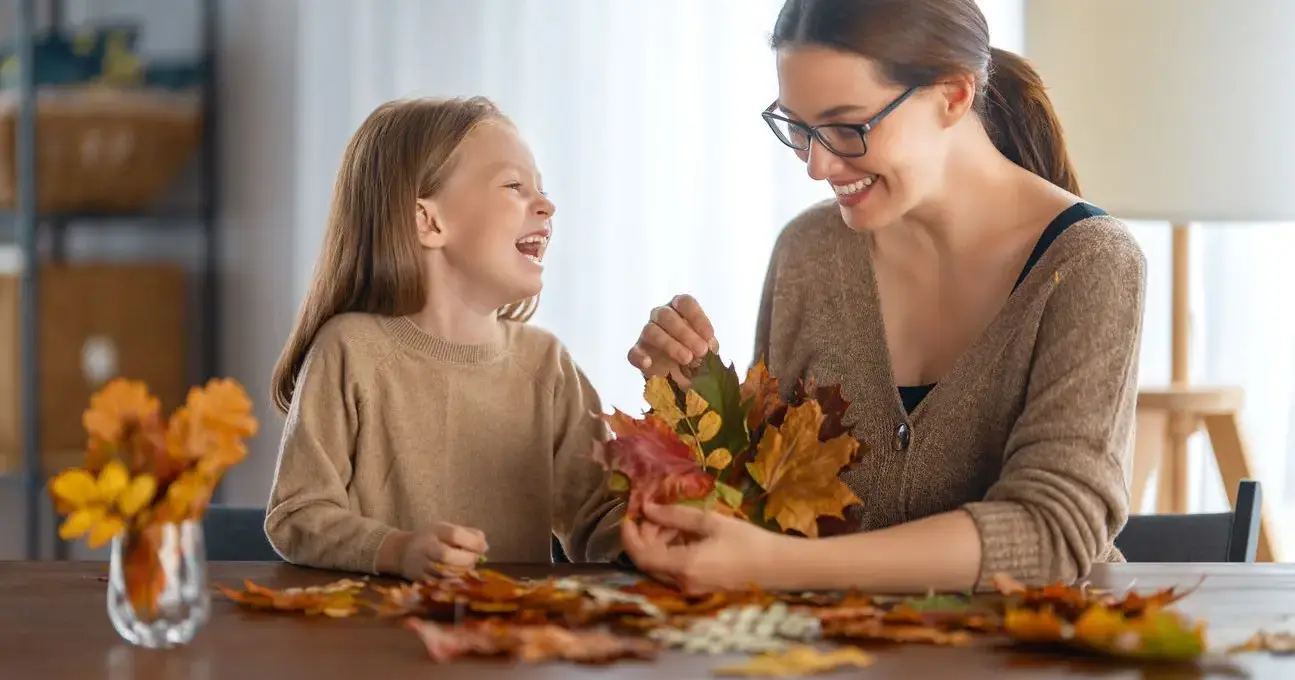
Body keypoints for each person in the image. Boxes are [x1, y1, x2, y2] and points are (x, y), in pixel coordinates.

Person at [621, 0, 1145, 594]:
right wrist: (695, 402)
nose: (817, 165)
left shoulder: (1089, 262)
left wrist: (776, 566)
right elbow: (772, 503)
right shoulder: (809, 252)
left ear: (952, 95)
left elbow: (1051, 532)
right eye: (798, 127)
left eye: (849, 126)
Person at [264, 96, 624, 580]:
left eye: (540, 188)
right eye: (514, 186)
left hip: (513, 646)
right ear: (428, 221)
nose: (546, 204)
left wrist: (667, 525)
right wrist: (397, 551)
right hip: (376, 644)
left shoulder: (547, 365)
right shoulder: (350, 351)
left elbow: (599, 518)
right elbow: (297, 513)